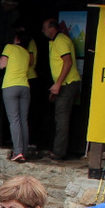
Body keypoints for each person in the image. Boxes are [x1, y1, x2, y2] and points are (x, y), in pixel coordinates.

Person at [42, 18, 80, 161]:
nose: (43, 31)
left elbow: (68, 62)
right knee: (60, 116)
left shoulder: (61, 40)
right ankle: (58, 148)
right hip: (64, 83)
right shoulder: (55, 41)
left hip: (67, 83)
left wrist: (58, 84)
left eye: (44, 28)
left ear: (52, 28)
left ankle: (58, 152)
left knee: (62, 117)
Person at [0, 32, 32, 162]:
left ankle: (17, 152)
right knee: (23, 120)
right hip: (25, 86)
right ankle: (24, 151)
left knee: (14, 120)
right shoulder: (26, 53)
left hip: (10, 86)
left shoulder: (10, 47)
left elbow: (2, 64)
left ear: (17, 38)